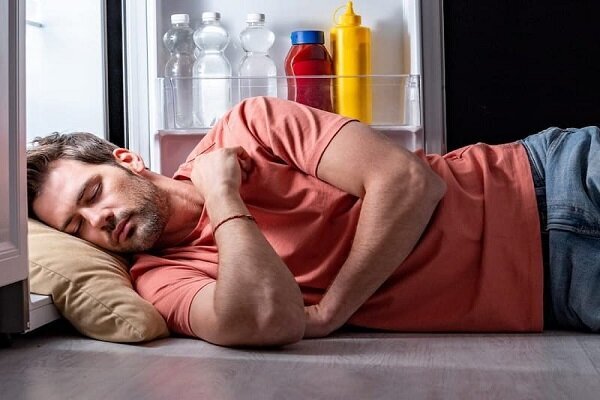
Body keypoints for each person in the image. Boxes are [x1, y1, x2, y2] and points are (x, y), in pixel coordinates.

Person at [27, 97, 600, 347]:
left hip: (550, 176)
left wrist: (331, 311)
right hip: (555, 290)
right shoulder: (158, 280)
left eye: (92, 193)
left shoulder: (247, 125)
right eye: (77, 227)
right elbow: (267, 321)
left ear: (126, 159)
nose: (99, 220)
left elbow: (408, 182)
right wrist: (224, 199)